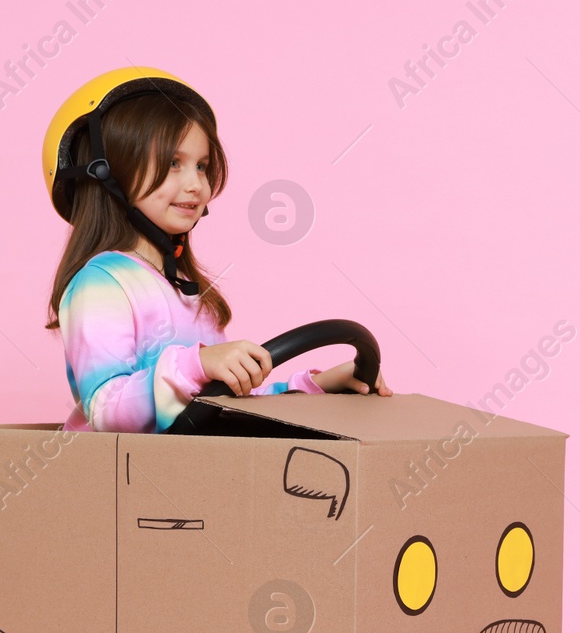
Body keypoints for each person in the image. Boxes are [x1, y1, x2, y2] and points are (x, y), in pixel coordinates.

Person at [41, 67, 390, 432]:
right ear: (105, 173)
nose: (196, 184)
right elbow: (107, 411)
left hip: (189, 475)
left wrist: (315, 386)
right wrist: (197, 365)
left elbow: (219, 405)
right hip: (120, 481)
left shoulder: (188, 288)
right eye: (173, 163)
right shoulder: (101, 284)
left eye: (202, 166)